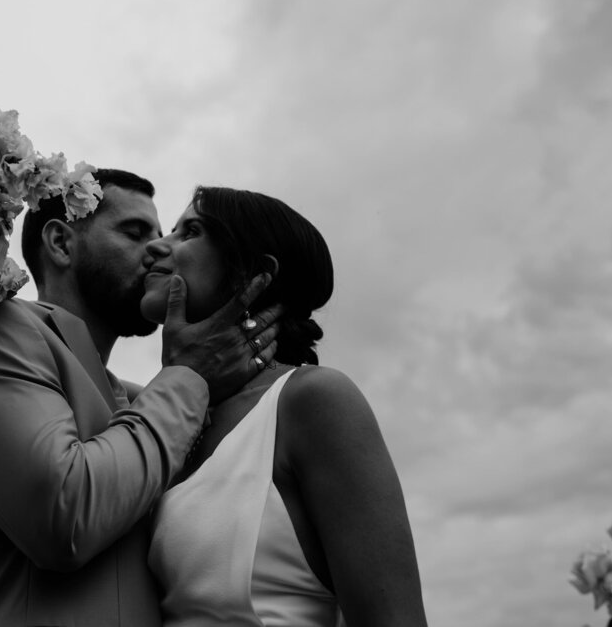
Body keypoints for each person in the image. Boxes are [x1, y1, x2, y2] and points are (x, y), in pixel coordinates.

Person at [0, 170, 282, 626]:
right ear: (62, 244)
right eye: (135, 232)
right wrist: (188, 374)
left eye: (166, 234)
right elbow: (64, 516)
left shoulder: (143, 399)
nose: (160, 250)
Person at [144, 186, 428, 627]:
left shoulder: (313, 402)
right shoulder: (152, 418)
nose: (156, 246)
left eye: (190, 231)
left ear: (254, 273)